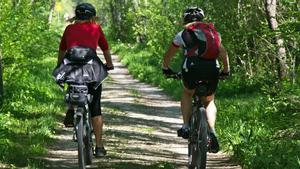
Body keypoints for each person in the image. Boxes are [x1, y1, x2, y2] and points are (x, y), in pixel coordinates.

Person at [162, 7, 230, 153]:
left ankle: (186, 126)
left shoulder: (183, 34)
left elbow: (168, 55)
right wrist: (226, 70)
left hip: (191, 69)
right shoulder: (213, 33)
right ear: (202, 19)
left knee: (187, 93)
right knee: (209, 100)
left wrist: (165, 68)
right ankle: (212, 131)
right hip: (212, 69)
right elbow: (223, 53)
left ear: (185, 20)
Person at [57, 3, 114, 157]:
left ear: (77, 16)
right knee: (96, 107)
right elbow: (105, 48)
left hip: (71, 66)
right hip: (91, 68)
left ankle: (70, 108)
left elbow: (62, 50)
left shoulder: (69, 29)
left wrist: (59, 66)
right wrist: (109, 65)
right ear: (91, 17)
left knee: (72, 83)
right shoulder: (96, 28)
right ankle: (99, 147)